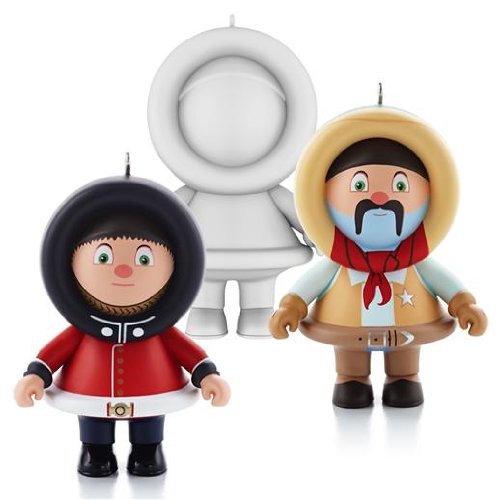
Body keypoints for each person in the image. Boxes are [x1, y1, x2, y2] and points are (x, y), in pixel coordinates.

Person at [14, 170, 230, 476]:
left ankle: (148, 450)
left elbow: (187, 352)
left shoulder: (161, 331)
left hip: (153, 389)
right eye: (103, 258)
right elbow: (55, 352)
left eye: (144, 259)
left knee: (149, 422)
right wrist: (36, 375)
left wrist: (207, 375)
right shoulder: (81, 329)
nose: (124, 270)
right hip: (90, 390)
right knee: (94, 423)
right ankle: (95, 451)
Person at [270, 105, 487, 409]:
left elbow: (444, 282)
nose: (380, 197)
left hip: (407, 330)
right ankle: (351, 379)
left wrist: (463, 304)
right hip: (347, 330)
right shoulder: (337, 264)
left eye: (400, 186)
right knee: (350, 368)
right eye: (359, 186)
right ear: (325, 198)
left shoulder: (416, 263)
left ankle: (404, 378)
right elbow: (309, 285)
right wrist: (291, 307)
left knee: (405, 367)